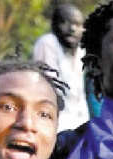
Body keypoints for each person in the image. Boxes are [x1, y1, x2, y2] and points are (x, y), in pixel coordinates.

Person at [32, 3, 89, 131]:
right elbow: (51, 86)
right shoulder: (48, 43)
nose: (72, 29)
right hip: (56, 120)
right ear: (54, 25)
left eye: (78, 25)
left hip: (79, 117)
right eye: (65, 22)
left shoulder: (81, 50)